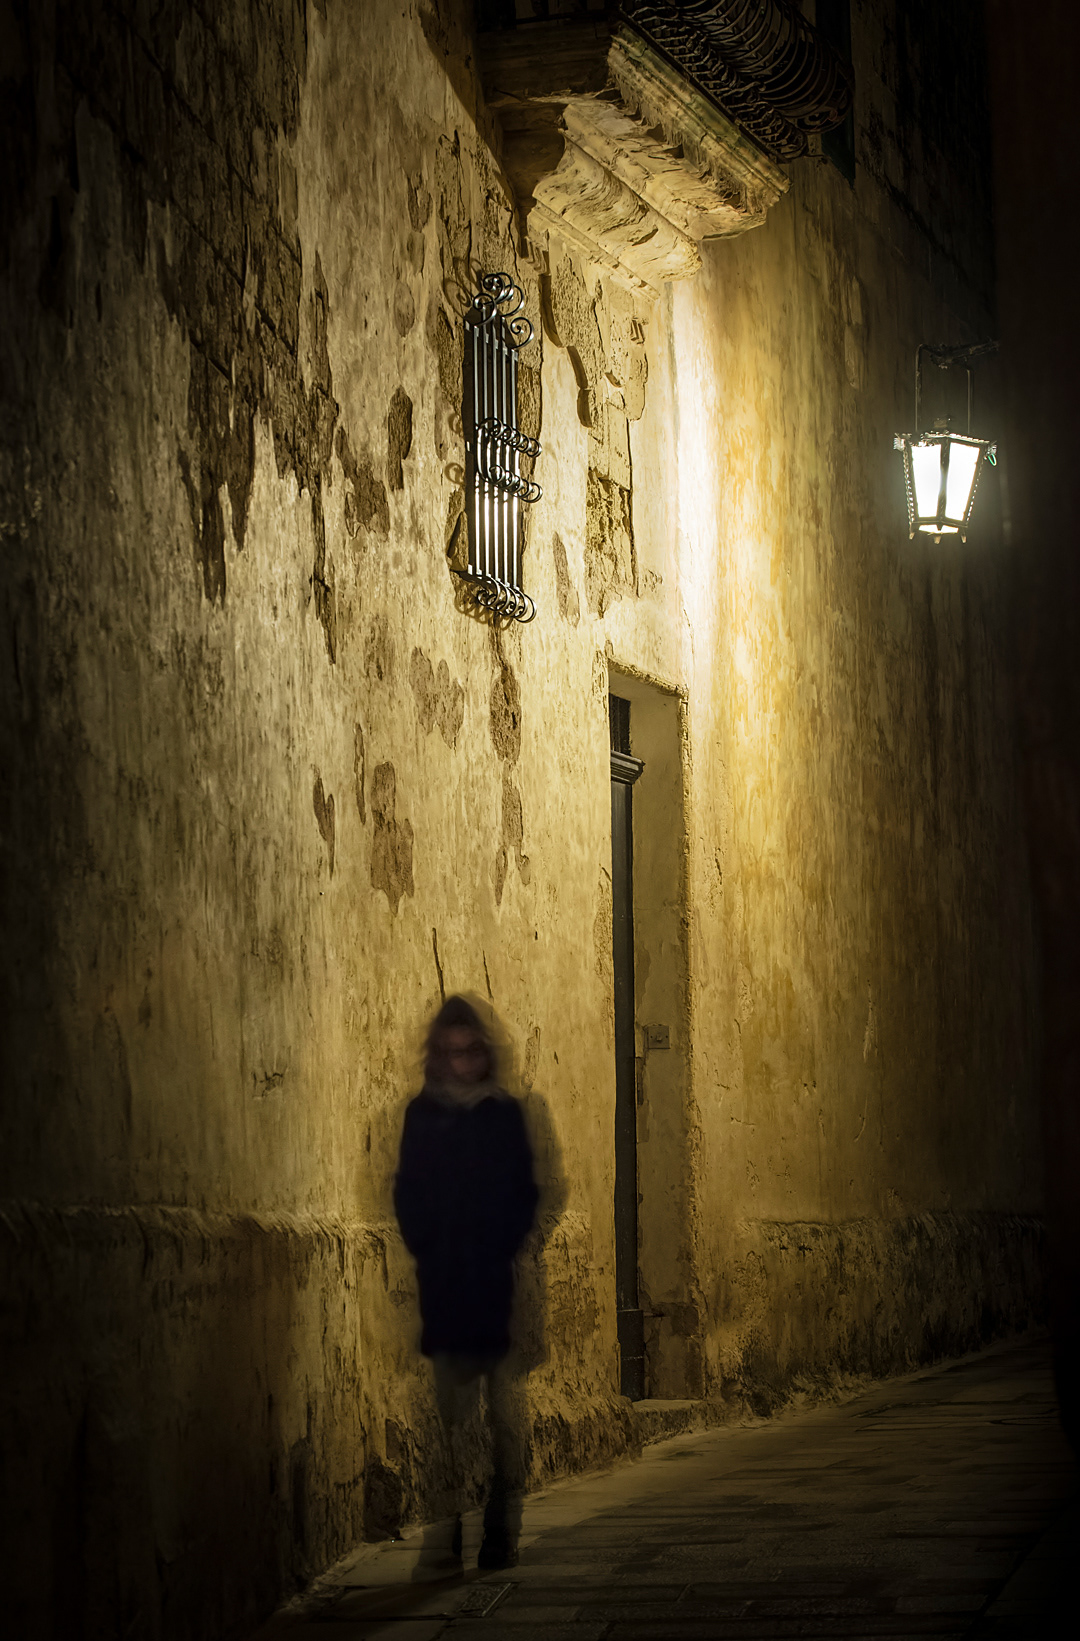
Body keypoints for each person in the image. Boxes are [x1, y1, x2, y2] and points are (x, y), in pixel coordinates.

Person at [393, 995, 539, 1571]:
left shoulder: (502, 1114)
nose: (460, 1064)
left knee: (503, 1416)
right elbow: (408, 1191)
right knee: (450, 1418)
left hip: (495, 1284)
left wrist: (499, 1243)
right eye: (449, 1053)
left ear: (484, 1053)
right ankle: (447, 1528)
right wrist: (429, 1246)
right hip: (446, 1286)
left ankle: (500, 1531)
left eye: (469, 1052)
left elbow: (525, 1191)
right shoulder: (422, 1114)